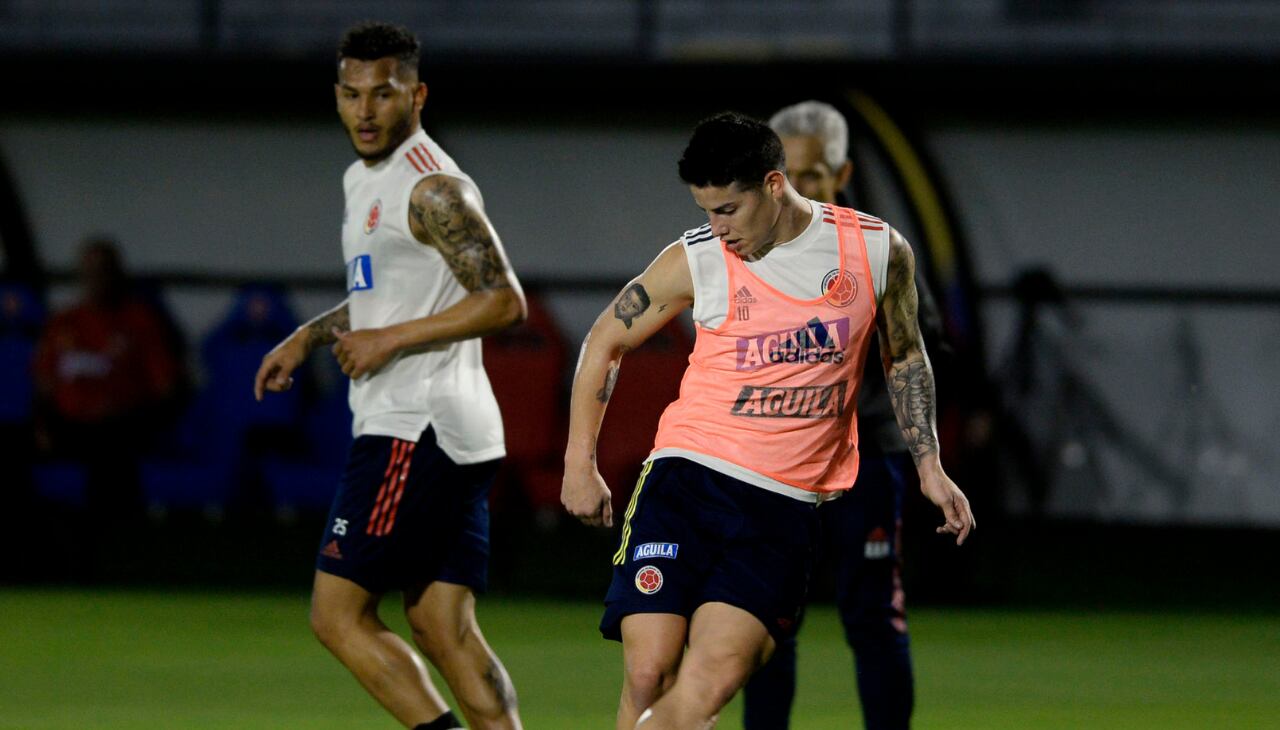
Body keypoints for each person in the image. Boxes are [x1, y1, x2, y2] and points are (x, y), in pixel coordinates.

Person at [561, 111, 974, 729]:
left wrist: (930, 465)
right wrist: (579, 462)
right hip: (685, 480)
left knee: (713, 681)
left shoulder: (874, 250)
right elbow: (605, 339)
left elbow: (906, 353)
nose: (717, 228)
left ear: (775, 185)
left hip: (782, 508)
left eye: (728, 209)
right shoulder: (697, 258)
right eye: (706, 211)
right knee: (649, 674)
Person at [254, 22, 526, 730]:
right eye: (352, 94)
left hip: (415, 426)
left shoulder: (432, 187)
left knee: (337, 614)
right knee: (441, 625)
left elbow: (504, 301)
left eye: (383, 93)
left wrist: (388, 341)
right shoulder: (363, 178)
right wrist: (308, 337)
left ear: (417, 95)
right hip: (451, 429)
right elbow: (388, 298)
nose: (366, 110)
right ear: (337, 97)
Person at [737, 100, 943, 730]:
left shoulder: (878, 249)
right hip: (773, 467)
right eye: (786, 174)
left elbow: (921, 346)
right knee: (764, 623)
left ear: (843, 172)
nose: (799, 187)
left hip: (867, 461)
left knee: (874, 616)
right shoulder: (744, 250)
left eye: (815, 173)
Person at [32, 237, 183, 519]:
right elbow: (44, 382)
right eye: (89, 272)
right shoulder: (64, 322)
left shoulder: (140, 320)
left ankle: (105, 519)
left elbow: (166, 386)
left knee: (110, 447)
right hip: (70, 424)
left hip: (122, 424)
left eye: (103, 271)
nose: (96, 279)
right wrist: (43, 423)